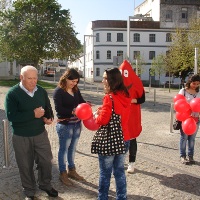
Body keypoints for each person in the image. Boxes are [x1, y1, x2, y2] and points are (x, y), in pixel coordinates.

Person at [4, 65, 58, 200]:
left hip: (40, 134)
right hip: (21, 136)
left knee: (46, 161)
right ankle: (29, 191)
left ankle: (45, 184)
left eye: (35, 78)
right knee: (25, 164)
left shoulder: (41, 91)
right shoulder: (12, 94)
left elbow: (47, 107)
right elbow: (12, 117)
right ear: (21, 77)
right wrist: (32, 114)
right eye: (30, 78)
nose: (33, 81)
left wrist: (48, 117)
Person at [94, 68, 131, 200]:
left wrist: (96, 117)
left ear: (112, 81)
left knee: (105, 172)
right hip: (124, 138)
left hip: (110, 140)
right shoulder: (126, 95)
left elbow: (103, 120)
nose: (102, 80)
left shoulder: (109, 97)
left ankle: (102, 197)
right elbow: (118, 112)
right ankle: (122, 197)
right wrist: (102, 109)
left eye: (105, 78)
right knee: (119, 171)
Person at [53, 68, 87, 186]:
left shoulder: (76, 90)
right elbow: (59, 110)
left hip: (77, 124)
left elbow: (81, 101)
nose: (74, 84)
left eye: (76, 81)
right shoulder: (58, 91)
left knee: (72, 148)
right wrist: (73, 111)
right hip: (65, 125)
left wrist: (86, 105)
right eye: (72, 81)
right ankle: (62, 173)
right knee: (63, 149)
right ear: (66, 79)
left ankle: (71, 170)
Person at [119, 60, 145, 173]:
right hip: (121, 113)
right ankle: (121, 161)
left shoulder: (137, 82)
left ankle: (131, 163)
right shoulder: (118, 83)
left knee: (132, 137)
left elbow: (142, 99)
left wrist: (131, 100)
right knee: (120, 138)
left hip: (133, 114)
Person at [179, 74, 200, 165]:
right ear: (190, 82)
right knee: (184, 138)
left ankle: (190, 156)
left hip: (196, 119)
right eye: (194, 83)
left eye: (198, 84)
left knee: (192, 139)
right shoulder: (183, 91)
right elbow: (179, 103)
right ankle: (182, 156)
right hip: (185, 119)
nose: (195, 85)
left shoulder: (199, 92)